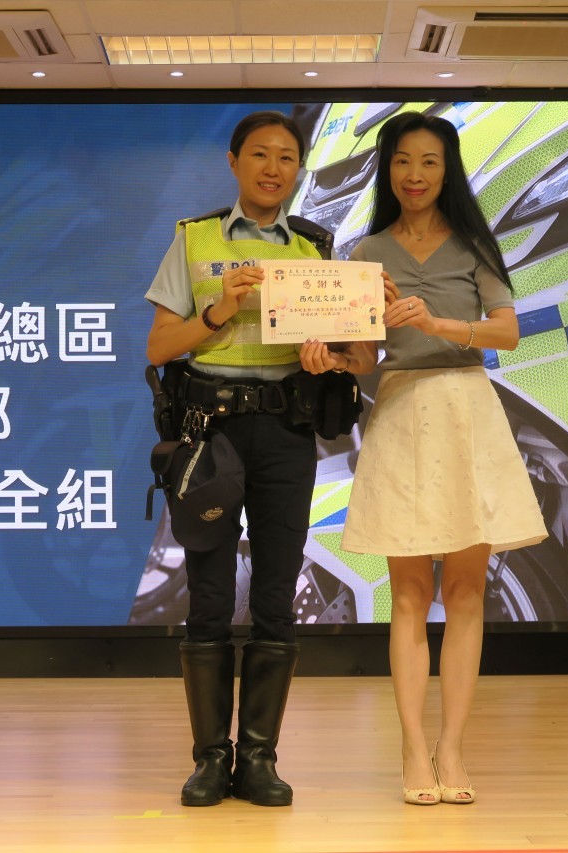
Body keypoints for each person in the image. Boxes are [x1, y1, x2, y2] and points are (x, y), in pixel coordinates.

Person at [300, 111, 548, 806]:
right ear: (388, 170)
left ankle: (453, 747)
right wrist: (332, 358)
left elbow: (508, 332)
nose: (415, 175)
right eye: (403, 161)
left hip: (467, 410)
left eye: (429, 162)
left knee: (466, 592)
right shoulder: (367, 250)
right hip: (401, 410)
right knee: (408, 593)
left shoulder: (473, 245)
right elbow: (365, 355)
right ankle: (413, 746)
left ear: (448, 170)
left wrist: (436, 321)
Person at [144, 111, 334, 808]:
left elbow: (347, 350)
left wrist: (332, 354)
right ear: (233, 162)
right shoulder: (194, 239)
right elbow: (158, 347)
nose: (273, 168)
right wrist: (220, 310)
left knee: (278, 597)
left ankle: (258, 758)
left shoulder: (315, 249)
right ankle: (209, 759)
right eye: (260, 154)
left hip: (286, 431)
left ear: (298, 169)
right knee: (210, 599)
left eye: (287, 157)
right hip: (210, 434)